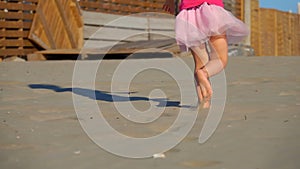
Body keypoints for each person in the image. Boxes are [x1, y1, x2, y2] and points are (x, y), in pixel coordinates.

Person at [163, 0, 249, 108]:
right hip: (212, 10)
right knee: (220, 59)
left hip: (189, 16)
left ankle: (204, 103)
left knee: (200, 62)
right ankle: (203, 73)